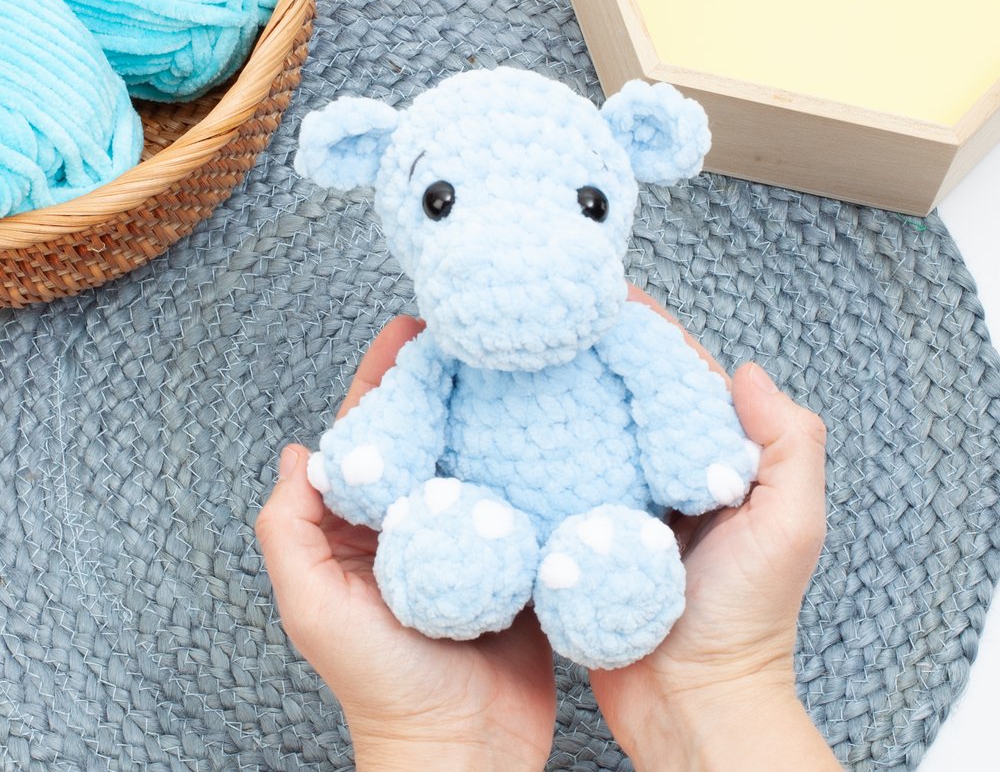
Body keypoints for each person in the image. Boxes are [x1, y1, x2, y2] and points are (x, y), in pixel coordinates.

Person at [255, 288, 842, 771]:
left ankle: (607, 570)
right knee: (451, 559)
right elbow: (406, 404)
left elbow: (669, 387)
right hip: (477, 512)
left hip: (617, 520)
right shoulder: (442, 349)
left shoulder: (620, 326)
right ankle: (466, 564)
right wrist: (719, 688)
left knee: (612, 574)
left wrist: (700, 457)